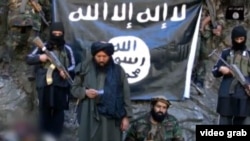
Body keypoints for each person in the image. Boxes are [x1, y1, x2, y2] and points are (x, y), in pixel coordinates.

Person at [71, 41, 132, 141]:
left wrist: (126, 117)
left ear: (110, 56)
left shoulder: (118, 71)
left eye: (105, 56)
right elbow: (74, 89)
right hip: (89, 113)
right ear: (94, 55)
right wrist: (85, 92)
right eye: (98, 56)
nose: (101, 59)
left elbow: (126, 94)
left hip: (111, 117)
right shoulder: (84, 68)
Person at [26, 22, 76, 137]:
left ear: (63, 34)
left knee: (59, 113)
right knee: (44, 112)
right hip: (44, 84)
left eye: (60, 33)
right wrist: (40, 57)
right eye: (54, 33)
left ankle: (55, 137)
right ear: (50, 33)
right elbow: (28, 58)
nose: (57, 36)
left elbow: (73, 64)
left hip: (61, 85)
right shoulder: (42, 46)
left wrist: (66, 71)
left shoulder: (67, 49)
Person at [0, 0, 50, 77]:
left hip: (19, 19)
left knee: (12, 43)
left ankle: (6, 67)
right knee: (33, 44)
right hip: (29, 20)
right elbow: (47, 8)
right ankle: (30, 70)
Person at [212, 25, 250, 125]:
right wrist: (221, 69)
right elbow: (215, 70)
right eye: (236, 39)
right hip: (226, 95)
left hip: (244, 96)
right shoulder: (226, 53)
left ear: (245, 39)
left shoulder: (249, 55)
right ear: (233, 39)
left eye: (241, 39)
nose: (239, 41)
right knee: (224, 121)